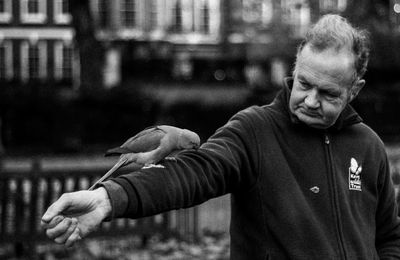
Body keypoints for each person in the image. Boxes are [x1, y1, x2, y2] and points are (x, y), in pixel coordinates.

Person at [41, 14, 400, 259]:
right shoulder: (255, 130)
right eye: (304, 83)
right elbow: (193, 171)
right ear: (294, 68)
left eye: (328, 93)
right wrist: (110, 198)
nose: (309, 99)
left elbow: (388, 238)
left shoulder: (368, 147)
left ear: (355, 90)